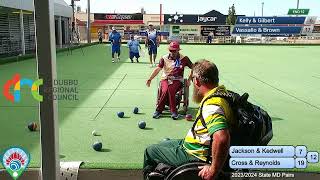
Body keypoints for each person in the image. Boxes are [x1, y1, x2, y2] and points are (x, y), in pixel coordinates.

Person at [143, 60, 236, 180]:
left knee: (150, 151)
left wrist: (213, 169)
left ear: (196, 80)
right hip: (193, 144)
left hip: (196, 154)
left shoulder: (212, 106)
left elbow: (222, 137)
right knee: (162, 144)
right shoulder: (222, 94)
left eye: (192, 79)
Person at [146, 41, 193, 120]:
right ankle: (161, 110)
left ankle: (171, 111)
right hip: (165, 79)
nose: (172, 52)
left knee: (170, 89)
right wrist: (150, 79)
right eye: (171, 50)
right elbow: (158, 69)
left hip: (178, 80)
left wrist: (189, 79)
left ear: (178, 50)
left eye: (174, 51)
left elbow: (194, 68)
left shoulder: (184, 58)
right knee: (165, 90)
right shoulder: (164, 58)